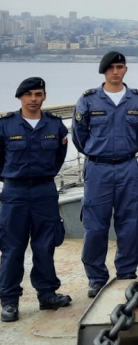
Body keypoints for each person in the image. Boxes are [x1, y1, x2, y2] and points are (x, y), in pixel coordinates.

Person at [72, 51, 138, 298]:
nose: (116, 71)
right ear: (104, 71)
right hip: (98, 169)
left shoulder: (136, 100)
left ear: (126, 70)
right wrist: (99, 154)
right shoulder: (89, 101)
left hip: (127, 167)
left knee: (130, 222)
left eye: (121, 67)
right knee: (95, 225)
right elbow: (79, 137)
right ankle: (96, 277)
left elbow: (136, 135)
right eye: (112, 67)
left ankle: (126, 273)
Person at [0, 78, 72, 323]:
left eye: (38, 94)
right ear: (20, 97)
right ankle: (9, 301)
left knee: (45, 245)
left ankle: (47, 294)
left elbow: (59, 156)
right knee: (12, 248)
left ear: (44, 96)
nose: (33, 99)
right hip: (14, 194)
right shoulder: (6, 126)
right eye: (29, 94)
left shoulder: (55, 125)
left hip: (44, 192)